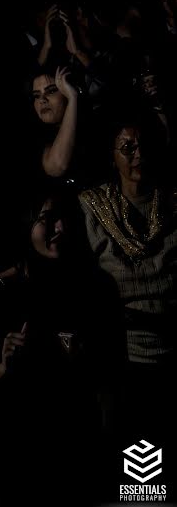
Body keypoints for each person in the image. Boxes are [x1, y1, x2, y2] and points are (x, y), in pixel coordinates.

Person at [0, 186, 117, 505]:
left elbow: (110, 373)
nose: (60, 228)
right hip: (21, 445)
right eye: (48, 219)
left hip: (77, 443)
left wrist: (83, 358)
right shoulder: (8, 292)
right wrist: (2, 365)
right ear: (27, 224)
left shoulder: (97, 287)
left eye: (66, 219)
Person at [79, 112, 177, 488]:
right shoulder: (93, 207)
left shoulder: (172, 203)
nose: (137, 155)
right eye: (127, 147)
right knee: (137, 473)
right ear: (112, 154)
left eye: (143, 146)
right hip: (120, 356)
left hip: (169, 349)